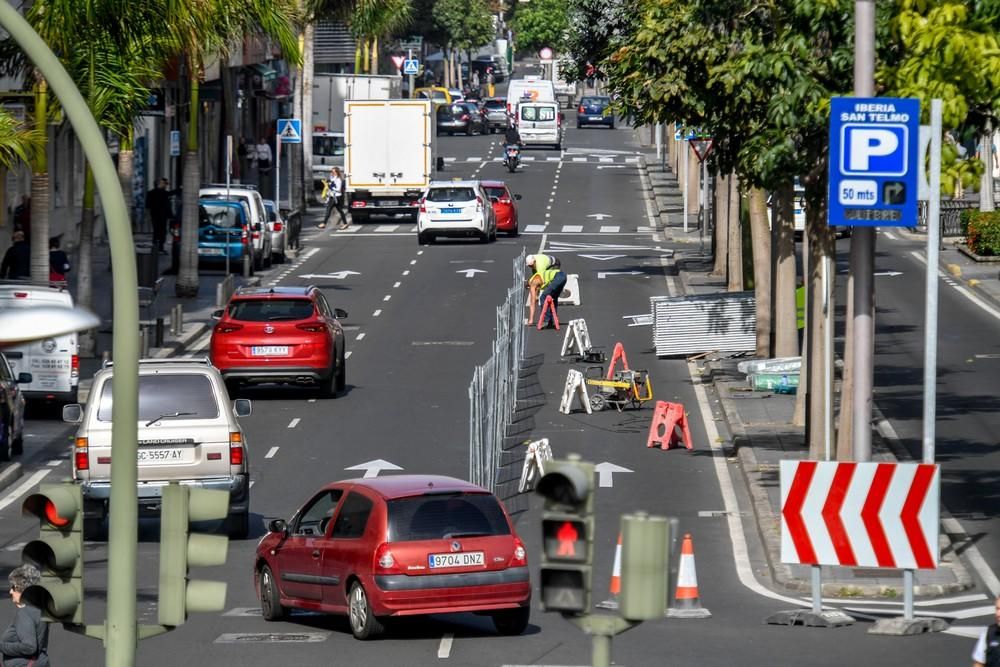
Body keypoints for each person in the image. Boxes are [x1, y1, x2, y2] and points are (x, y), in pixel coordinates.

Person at [1, 563, 50, 667]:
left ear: (22, 589)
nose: (10, 591)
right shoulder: (39, 609)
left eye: (13, 587)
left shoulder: (25, 613)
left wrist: (1, 646)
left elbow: (29, 647)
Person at [527, 263, 567, 329]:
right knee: (553, 298)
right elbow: (536, 295)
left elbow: (532, 302)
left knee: (543, 297)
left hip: (557, 277)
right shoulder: (536, 278)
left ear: (529, 286)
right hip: (563, 276)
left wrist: (531, 319)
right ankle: (552, 321)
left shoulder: (532, 283)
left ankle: (546, 320)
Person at [145, 177, 171, 253]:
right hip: (158, 215)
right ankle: (158, 247)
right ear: (159, 184)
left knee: (159, 231)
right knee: (159, 231)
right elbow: (148, 205)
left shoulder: (163, 193)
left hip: (159, 215)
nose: (165, 185)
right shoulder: (159, 193)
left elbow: (148, 206)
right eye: (164, 184)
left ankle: (158, 247)